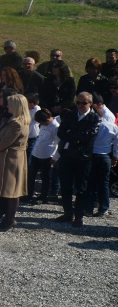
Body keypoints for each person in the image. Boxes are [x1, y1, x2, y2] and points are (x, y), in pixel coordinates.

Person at [55, 91, 101, 227]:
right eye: (78, 103)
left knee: (81, 188)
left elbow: (90, 135)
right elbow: (61, 131)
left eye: (84, 103)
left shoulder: (94, 118)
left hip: (83, 157)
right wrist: (76, 136)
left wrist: (72, 134)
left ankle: (79, 215)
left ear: (90, 104)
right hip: (67, 154)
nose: (80, 105)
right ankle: (68, 213)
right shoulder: (70, 114)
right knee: (65, 185)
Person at [0, 93, 30, 231]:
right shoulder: (14, 120)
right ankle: (8, 217)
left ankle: (10, 219)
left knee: (12, 190)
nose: (7, 106)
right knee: (10, 189)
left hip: (12, 159)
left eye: (10, 103)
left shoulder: (17, 123)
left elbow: (4, 141)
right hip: (10, 157)